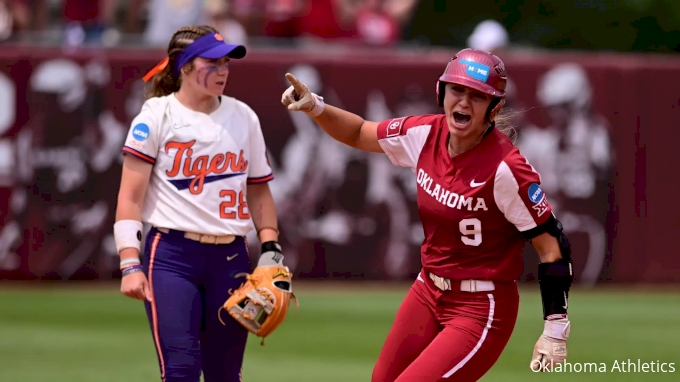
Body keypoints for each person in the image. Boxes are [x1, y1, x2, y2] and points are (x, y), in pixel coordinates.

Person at [281, 48, 574, 381]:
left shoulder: (506, 169)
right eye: (457, 90)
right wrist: (316, 108)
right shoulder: (425, 134)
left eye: (478, 96)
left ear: (495, 107)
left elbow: (552, 247)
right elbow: (359, 131)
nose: (464, 102)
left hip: (481, 307)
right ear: (441, 92)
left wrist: (555, 327)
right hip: (428, 289)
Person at [113, 25, 285, 382]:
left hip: (231, 259)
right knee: (181, 371)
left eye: (226, 63)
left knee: (225, 374)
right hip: (173, 257)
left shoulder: (243, 116)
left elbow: (258, 189)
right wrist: (130, 262)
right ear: (185, 66)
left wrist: (270, 247)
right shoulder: (156, 115)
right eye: (213, 62)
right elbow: (130, 196)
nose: (223, 70)